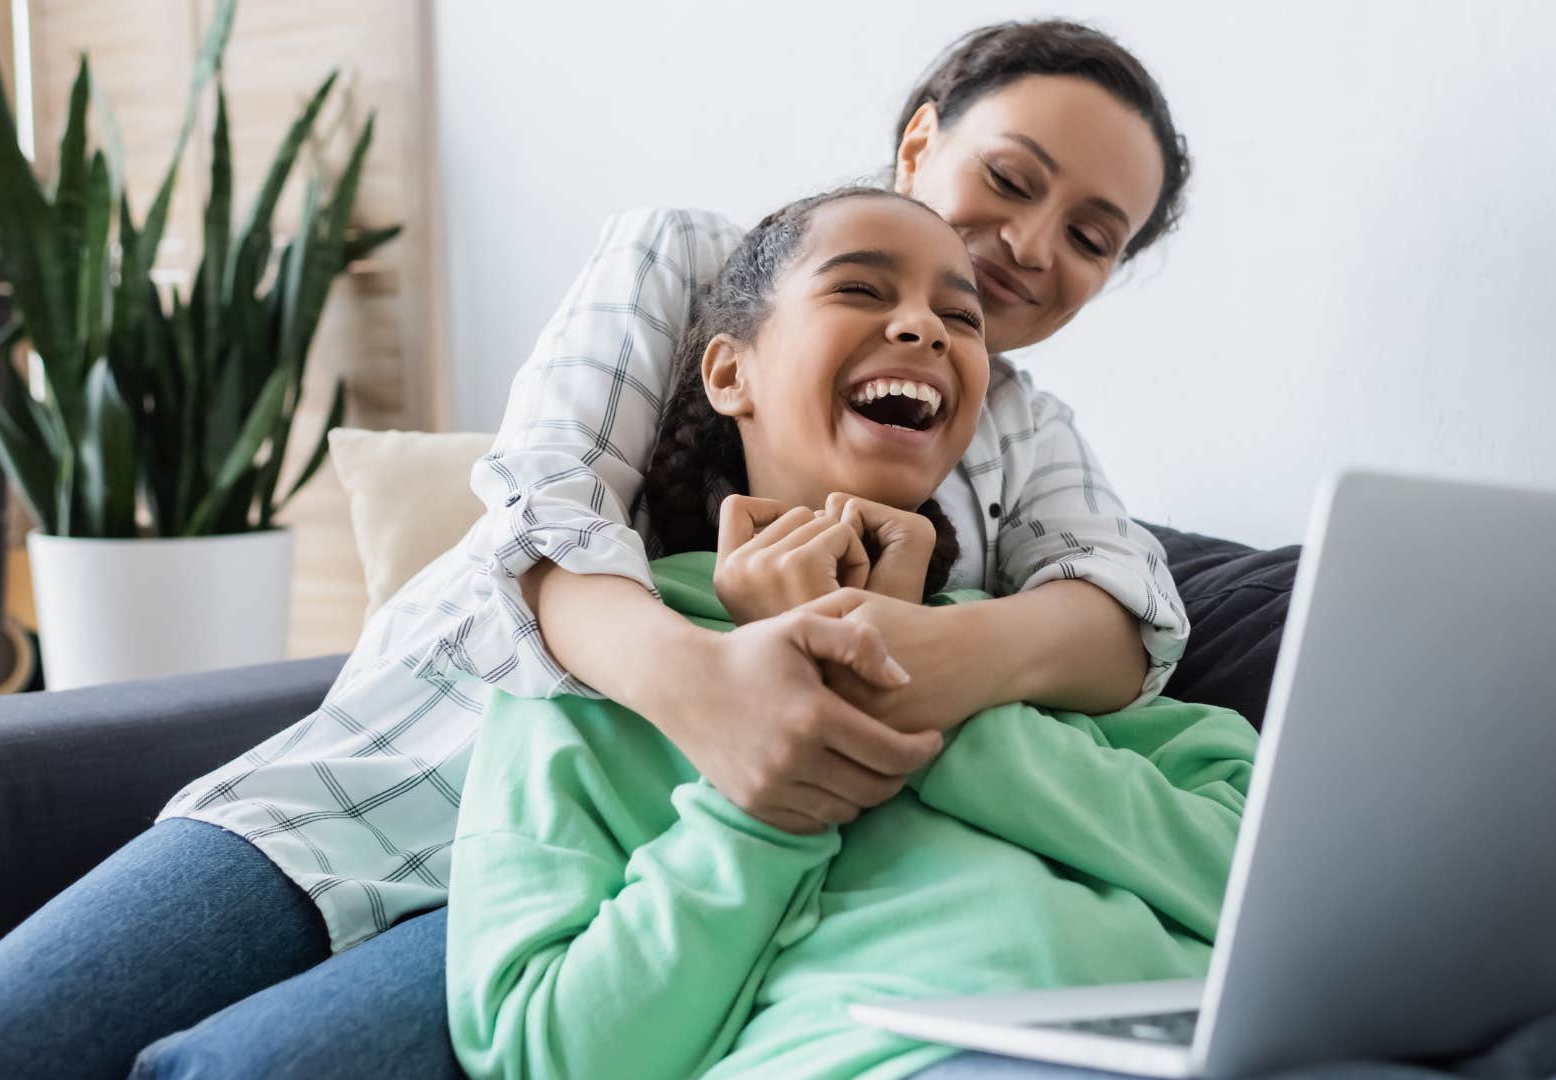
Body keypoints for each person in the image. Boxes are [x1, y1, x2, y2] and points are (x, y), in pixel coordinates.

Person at [0, 20, 1198, 1079]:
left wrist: (896, 653)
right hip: (394, 781)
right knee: (10, 1032)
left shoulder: (1019, 426)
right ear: (923, 142)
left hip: (643, 875)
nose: (1034, 244)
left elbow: (1126, 621)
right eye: (1013, 177)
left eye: (1093, 236)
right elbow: (544, 508)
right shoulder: (694, 263)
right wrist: (716, 689)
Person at [445, 184, 1260, 1080]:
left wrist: (936, 692)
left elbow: (1290, 896)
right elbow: (546, 1054)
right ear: (729, 374)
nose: (927, 328)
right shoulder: (596, 678)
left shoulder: (1026, 650)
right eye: (862, 291)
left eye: (962, 314)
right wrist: (762, 814)